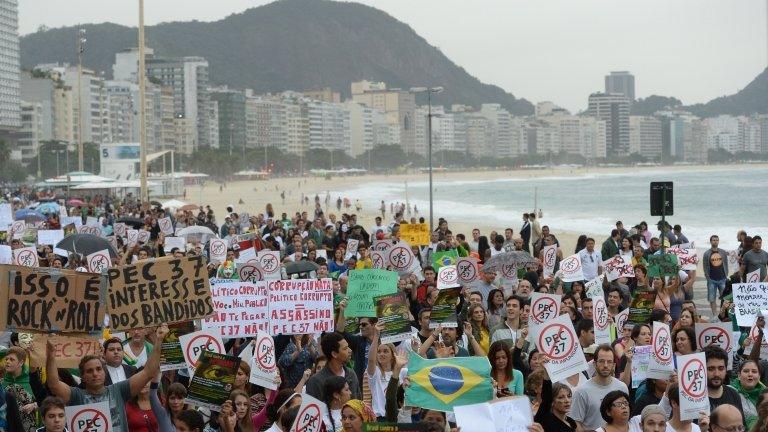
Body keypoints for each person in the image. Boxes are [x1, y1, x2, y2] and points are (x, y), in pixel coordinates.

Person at [46, 324, 169, 432]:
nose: (95, 373)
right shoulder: (76, 395)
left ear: (105, 372)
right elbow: (54, 384)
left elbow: (148, 372)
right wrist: (51, 354)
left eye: (99, 369)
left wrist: (159, 340)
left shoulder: (119, 391)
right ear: (82, 376)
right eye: (89, 371)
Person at [569, 344, 629, 432]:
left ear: (614, 365)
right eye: (601, 361)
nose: (605, 365)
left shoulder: (622, 387)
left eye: (609, 362)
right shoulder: (582, 391)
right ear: (594, 364)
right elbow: (575, 422)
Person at [305, 332, 361, 401]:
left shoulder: (351, 374)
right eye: (345, 348)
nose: (350, 350)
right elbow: (312, 410)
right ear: (334, 354)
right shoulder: (316, 381)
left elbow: (358, 404)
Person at [366, 322, 396, 420]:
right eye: (379, 352)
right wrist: (376, 336)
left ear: (393, 356)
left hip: (399, 418)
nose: (381, 354)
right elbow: (371, 360)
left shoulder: (400, 372)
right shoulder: (376, 373)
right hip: (381, 419)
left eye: (386, 351)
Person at [704, 346, 744, 413]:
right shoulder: (692, 399)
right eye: (711, 369)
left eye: (721, 368)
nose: (716, 374)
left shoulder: (734, 395)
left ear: (726, 369)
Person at [730, 360, 765, 431]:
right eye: (746, 371)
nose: (750, 374)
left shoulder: (765, 395)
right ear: (739, 376)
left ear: (759, 376)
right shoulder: (729, 391)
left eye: (754, 372)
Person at [703, 235, 729, 316]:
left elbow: (726, 263)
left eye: (717, 240)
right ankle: (714, 315)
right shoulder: (707, 253)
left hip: (722, 278)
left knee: (725, 298)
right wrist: (708, 277)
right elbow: (705, 266)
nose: (715, 241)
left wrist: (726, 275)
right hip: (711, 279)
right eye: (713, 240)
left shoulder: (723, 252)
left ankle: (723, 314)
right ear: (710, 241)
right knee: (711, 298)